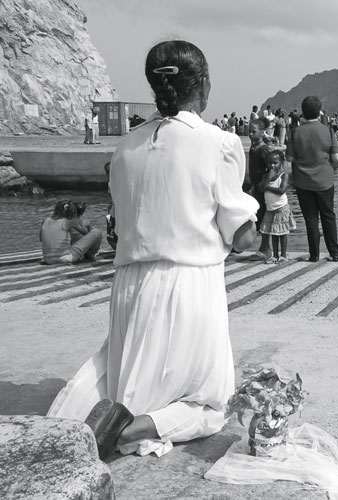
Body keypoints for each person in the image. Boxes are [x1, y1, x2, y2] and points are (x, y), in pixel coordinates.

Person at [46, 40, 259, 460]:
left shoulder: (125, 146)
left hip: (130, 287)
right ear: (204, 86)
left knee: (126, 378)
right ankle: (136, 426)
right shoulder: (219, 143)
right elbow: (243, 239)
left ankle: (112, 412)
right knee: (212, 403)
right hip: (189, 284)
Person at [286, 95, 338, 262]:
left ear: (303, 112)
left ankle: (314, 254)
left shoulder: (295, 132)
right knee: (328, 216)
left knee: (310, 218)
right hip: (325, 181)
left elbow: (289, 158)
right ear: (319, 111)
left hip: (303, 182)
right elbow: (337, 157)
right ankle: (335, 253)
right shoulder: (328, 130)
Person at [259, 149, 296, 263]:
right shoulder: (266, 176)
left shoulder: (283, 176)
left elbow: (281, 190)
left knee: (282, 233)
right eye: (270, 163)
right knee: (274, 232)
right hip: (270, 209)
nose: (272, 165)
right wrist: (268, 178)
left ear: (281, 163)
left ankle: (283, 255)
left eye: (275, 163)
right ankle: (275, 255)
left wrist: (267, 187)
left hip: (281, 208)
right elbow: (261, 188)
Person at [39, 200, 103, 264]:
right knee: (97, 232)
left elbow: (41, 239)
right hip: (65, 258)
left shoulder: (45, 221)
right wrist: (86, 225)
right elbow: (87, 234)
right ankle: (91, 255)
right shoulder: (68, 221)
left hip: (48, 259)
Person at [246, 117, 272, 259]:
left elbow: (272, 168)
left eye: (253, 132)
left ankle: (265, 249)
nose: (250, 134)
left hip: (262, 189)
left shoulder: (264, 149)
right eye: (249, 131)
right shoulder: (253, 147)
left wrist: (263, 184)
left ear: (262, 133)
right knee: (255, 217)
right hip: (255, 188)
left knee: (263, 218)